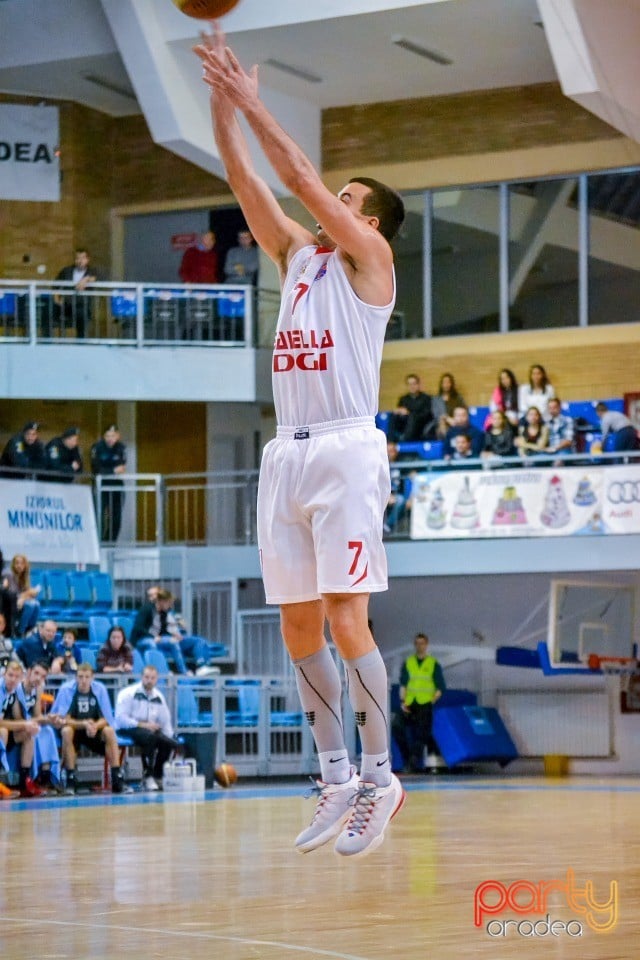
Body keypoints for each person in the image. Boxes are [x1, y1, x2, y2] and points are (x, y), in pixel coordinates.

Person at [195, 25, 406, 858]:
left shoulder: (369, 264)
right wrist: (222, 110)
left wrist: (255, 102)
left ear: (372, 224)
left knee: (348, 618)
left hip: (348, 450)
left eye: (351, 201)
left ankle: (383, 774)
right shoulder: (294, 257)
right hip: (286, 450)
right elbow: (251, 180)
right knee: (295, 627)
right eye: (341, 199)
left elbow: (299, 177)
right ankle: (335, 773)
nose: (336, 204)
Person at [51, 662, 126, 794]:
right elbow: (64, 719)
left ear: (92, 678)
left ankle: (117, 777)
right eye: (80, 677)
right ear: (75, 677)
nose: (83, 680)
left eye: (86, 677)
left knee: (109, 731)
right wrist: (84, 724)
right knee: (66, 731)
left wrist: (95, 726)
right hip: (74, 730)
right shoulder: (66, 689)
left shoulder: (100, 689)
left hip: (93, 731)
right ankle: (70, 779)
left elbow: (107, 718)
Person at [115, 664, 183, 791]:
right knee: (149, 737)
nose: (149, 680)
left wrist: (171, 738)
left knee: (168, 742)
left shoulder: (159, 697)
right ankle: (148, 776)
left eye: (152, 678)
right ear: (141, 677)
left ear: (156, 679)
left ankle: (158, 776)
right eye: (147, 677)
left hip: (149, 729)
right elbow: (120, 719)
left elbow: (165, 721)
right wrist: (143, 725)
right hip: (128, 728)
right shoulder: (128, 693)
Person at [391, 633, 445, 774]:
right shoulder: (409, 662)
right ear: (415, 645)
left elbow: (440, 687)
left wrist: (431, 701)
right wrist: (402, 701)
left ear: (426, 645)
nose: (419, 646)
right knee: (396, 727)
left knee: (422, 734)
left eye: (422, 643)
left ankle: (412, 764)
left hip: (425, 703)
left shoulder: (433, 664)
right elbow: (403, 684)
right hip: (409, 703)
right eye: (417, 643)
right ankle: (407, 757)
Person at [130, 588, 212, 675]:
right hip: (142, 639)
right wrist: (153, 637)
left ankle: (186, 671)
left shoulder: (163, 613)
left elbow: (163, 631)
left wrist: (173, 636)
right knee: (151, 643)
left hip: (158, 639)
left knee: (175, 642)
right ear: (161, 601)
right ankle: (162, 671)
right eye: (168, 603)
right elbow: (138, 628)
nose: (170, 605)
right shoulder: (146, 609)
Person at [0, 659, 44, 796]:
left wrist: (29, 725)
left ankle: (24, 782)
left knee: (28, 734)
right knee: (3, 732)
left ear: (21, 678)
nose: (13, 680)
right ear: (3, 675)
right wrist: (25, 724)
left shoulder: (14, 692)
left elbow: (17, 717)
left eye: (16, 677)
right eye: (10, 675)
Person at [20, 661, 63, 791]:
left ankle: (46, 774)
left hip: (30, 723)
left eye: (43, 676)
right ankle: (34, 776)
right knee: (36, 730)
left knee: (48, 730)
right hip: (17, 723)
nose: (39, 678)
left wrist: (49, 719)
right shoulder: (18, 688)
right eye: (36, 673)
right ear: (28, 672)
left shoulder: (38, 690)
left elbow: (37, 716)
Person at [54, 248, 106, 338]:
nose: (80, 261)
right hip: (66, 304)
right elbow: (56, 285)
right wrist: (56, 298)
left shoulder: (92, 271)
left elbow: (99, 277)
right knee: (47, 311)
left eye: (82, 258)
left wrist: (86, 279)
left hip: (82, 305)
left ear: (87, 260)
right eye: (77, 258)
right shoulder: (67, 271)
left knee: (81, 316)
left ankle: (81, 343)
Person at [91, 425, 127, 542]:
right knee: (100, 517)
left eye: (113, 436)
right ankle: (98, 543)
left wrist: (107, 470)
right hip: (102, 486)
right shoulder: (97, 448)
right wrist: (112, 470)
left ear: (118, 436)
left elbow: (121, 467)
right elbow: (97, 469)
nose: (110, 438)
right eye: (107, 436)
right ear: (103, 436)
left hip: (116, 486)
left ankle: (110, 543)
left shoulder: (121, 448)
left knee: (116, 518)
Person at [2, 553, 41, 637]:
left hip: (20, 603)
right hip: (9, 605)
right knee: (30, 605)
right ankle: (21, 631)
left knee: (36, 604)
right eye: (17, 563)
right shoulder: (8, 575)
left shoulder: (24, 577)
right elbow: (10, 594)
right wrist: (25, 595)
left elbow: (26, 594)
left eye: (22, 563)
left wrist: (26, 595)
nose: (19, 565)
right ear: (13, 564)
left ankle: (29, 629)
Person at [390, 373, 434, 442]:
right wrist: (398, 411)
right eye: (409, 384)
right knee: (393, 414)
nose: (412, 386)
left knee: (412, 417)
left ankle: (405, 440)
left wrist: (409, 413)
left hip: (421, 425)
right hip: (405, 424)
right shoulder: (403, 399)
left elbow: (427, 414)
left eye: (414, 384)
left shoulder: (426, 398)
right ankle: (390, 440)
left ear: (418, 385)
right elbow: (400, 411)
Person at [432, 372, 465, 438]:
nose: (446, 385)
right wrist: (447, 418)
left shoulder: (458, 398)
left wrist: (455, 420)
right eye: (444, 382)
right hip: (441, 424)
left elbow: (463, 410)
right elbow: (436, 414)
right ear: (441, 384)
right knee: (442, 421)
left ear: (451, 384)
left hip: (456, 422)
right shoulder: (436, 399)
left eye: (448, 382)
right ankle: (448, 440)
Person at [546, 398, 575, 463]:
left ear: (559, 407)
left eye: (554, 407)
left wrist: (554, 448)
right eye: (550, 408)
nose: (552, 410)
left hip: (564, 450)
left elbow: (568, 441)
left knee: (558, 461)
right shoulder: (546, 422)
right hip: (549, 452)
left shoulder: (567, 420)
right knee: (533, 460)